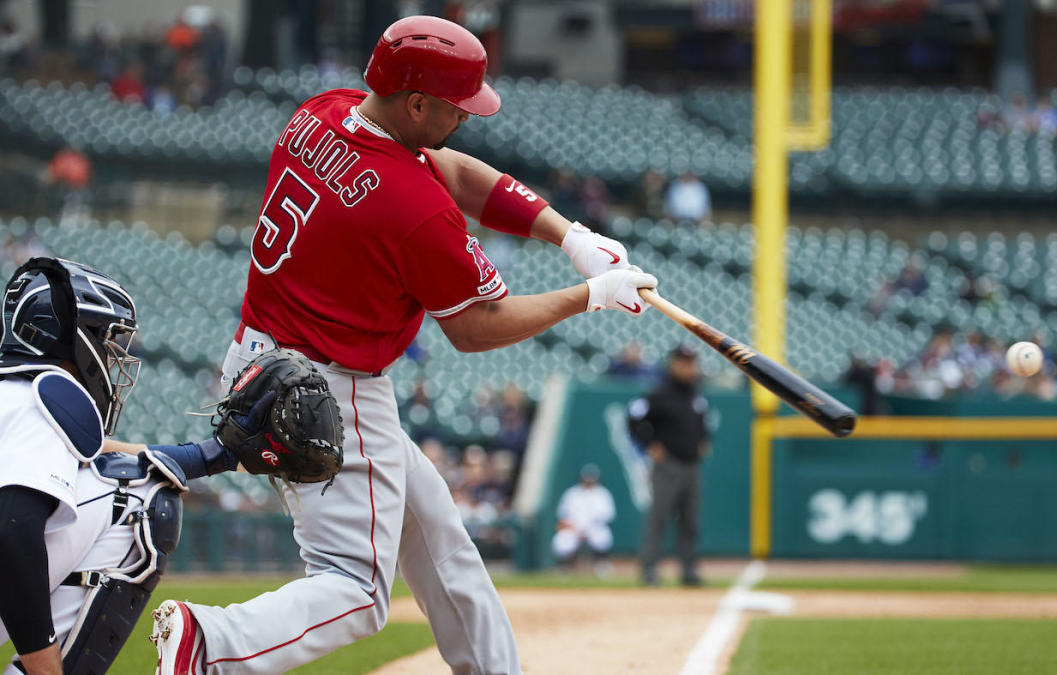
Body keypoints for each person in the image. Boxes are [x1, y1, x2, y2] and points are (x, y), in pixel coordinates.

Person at [150, 16, 656, 675]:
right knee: (356, 589)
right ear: (416, 102)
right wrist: (587, 296)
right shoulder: (412, 207)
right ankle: (210, 644)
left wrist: (569, 237)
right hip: (329, 387)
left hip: (259, 357)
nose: (465, 119)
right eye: (455, 107)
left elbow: (453, 169)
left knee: (436, 530)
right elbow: (476, 326)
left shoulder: (323, 113)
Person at [0, 257, 248, 674]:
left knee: (121, 471)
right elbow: (12, 529)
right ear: (74, 338)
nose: (114, 354)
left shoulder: (16, 398)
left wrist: (209, 456)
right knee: (138, 497)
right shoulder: (38, 402)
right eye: (106, 337)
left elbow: (95, 450)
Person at [629, 344, 709, 587]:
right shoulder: (660, 394)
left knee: (690, 521)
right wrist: (650, 444)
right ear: (673, 364)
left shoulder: (695, 395)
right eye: (684, 362)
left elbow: (701, 423)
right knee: (659, 517)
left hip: (691, 465)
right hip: (669, 466)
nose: (688, 367)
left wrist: (705, 440)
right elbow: (633, 417)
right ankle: (649, 569)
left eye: (691, 362)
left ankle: (689, 570)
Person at [552, 464, 616, 574]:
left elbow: (609, 515)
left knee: (603, 536)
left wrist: (589, 528)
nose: (589, 480)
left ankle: (601, 564)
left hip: (594, 528)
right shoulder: (571, 493)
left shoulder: (602, 493)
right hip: (574, 528)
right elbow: (562, 515)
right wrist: (571, 527)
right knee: (562, 539)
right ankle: (564, 566)